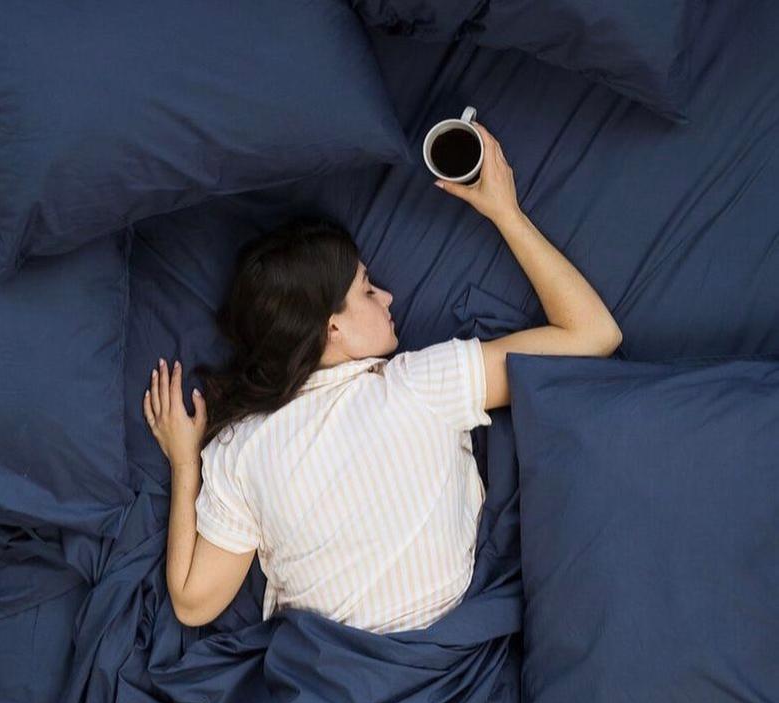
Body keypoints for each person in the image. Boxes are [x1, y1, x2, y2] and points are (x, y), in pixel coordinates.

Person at [143, 121, 623, 633]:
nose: (389, 297)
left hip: (344, 686)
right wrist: (507, 214)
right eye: (368, 290)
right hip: (391, 675)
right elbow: (593, 335)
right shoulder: (419, 384)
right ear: (333, 328)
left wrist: (186, 462)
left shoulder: (241, 448)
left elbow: (194, 603)